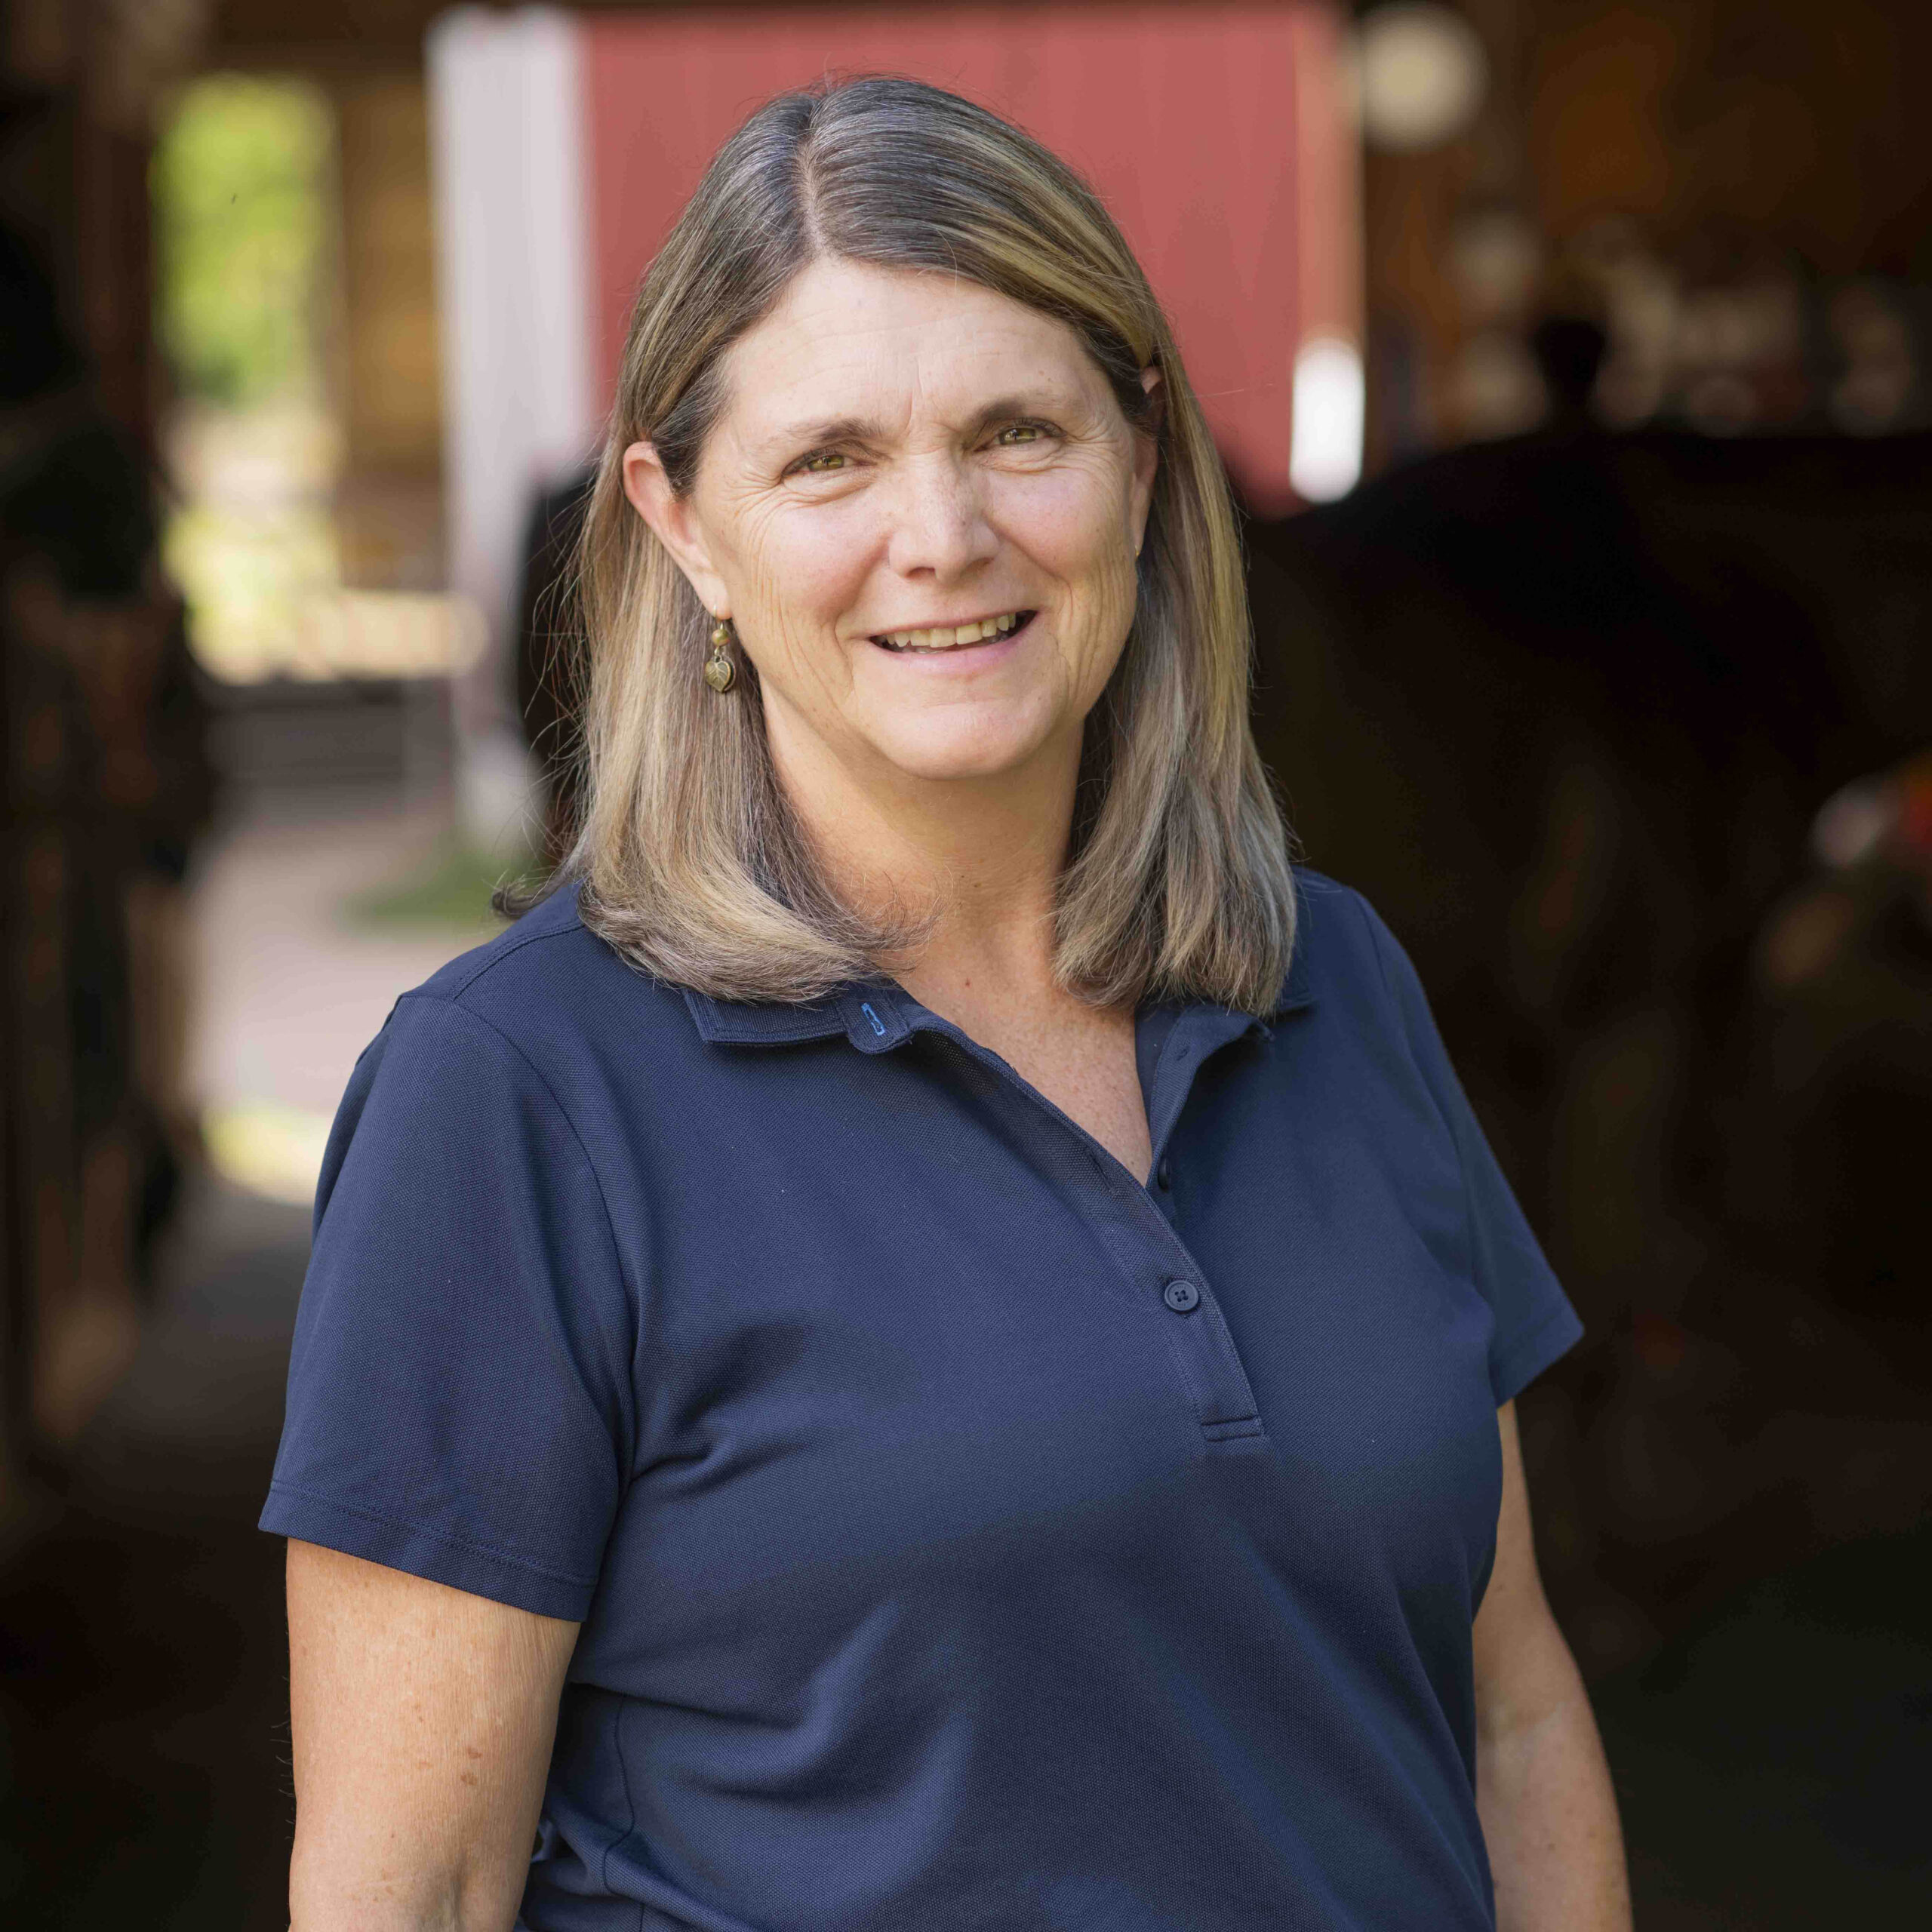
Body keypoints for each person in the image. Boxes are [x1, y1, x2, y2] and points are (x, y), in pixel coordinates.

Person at [266, 76, 1630, 1932]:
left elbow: (1510, 1712)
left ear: (1142, 463)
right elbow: (406, 1889)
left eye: (1015, 431)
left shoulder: (1330, 979)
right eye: (828, 458)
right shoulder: (514, 1096)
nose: (943, 533)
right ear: (678, 524)